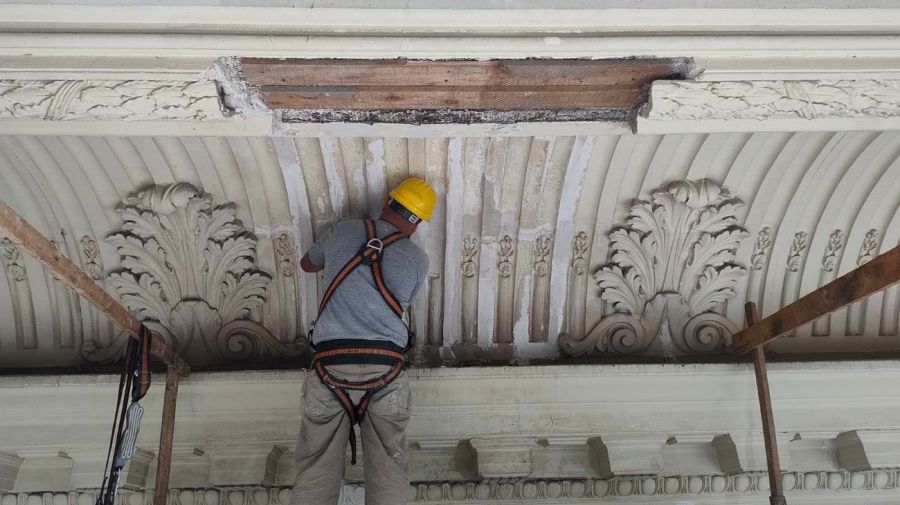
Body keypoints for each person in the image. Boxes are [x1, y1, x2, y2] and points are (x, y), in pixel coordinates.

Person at [290, 177, 436, 505]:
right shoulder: (417, 259)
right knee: (390, 469)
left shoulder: (345, 230)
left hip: (330, 364)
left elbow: (307, 264)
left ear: (387, 201)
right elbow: (404, 299)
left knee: (315, 470)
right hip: (385, 367)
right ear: (418, 224)